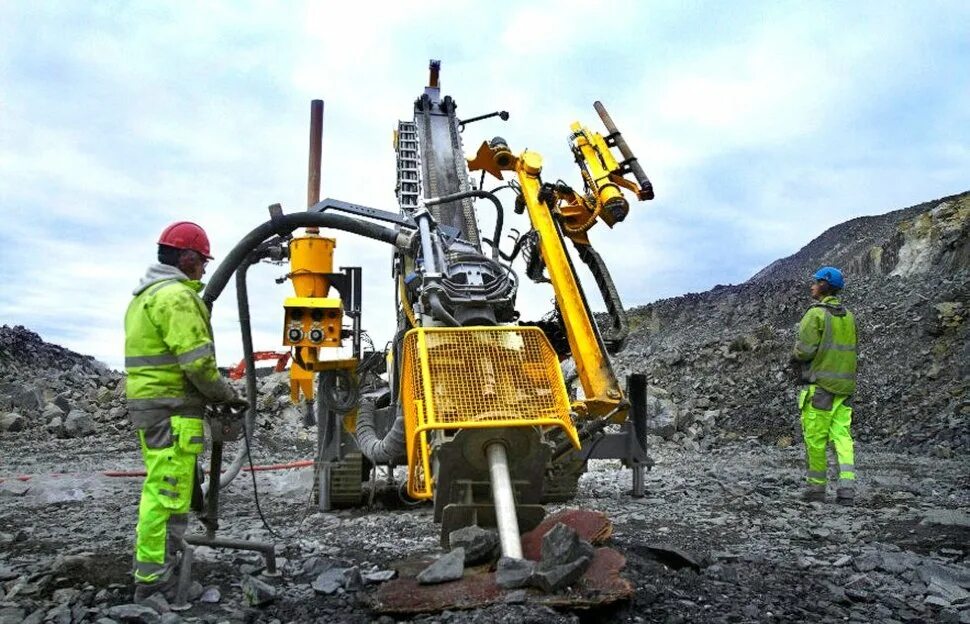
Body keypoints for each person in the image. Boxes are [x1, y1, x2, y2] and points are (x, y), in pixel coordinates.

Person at [124, 221, 245, 601]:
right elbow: (197, 365)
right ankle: (155, 581)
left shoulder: (144, 297)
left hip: (155, 407)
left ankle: (164, 569)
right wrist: (225, 394)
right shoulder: (176, 297)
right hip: (172, 409)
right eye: (202, 263)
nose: (205, 269)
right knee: (166, 492)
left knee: (168, 489)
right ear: (187, 258)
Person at [792, 266, 858, 503]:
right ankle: (847, 490)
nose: (812, 285)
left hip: (820, 387)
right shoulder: (849, 316)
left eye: (816, 282)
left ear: (824, 286)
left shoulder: (816, 314)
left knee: (816, 438)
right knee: (842, 436)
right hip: (844, 389)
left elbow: (804, 351)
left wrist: (795, 355)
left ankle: (816, 489)